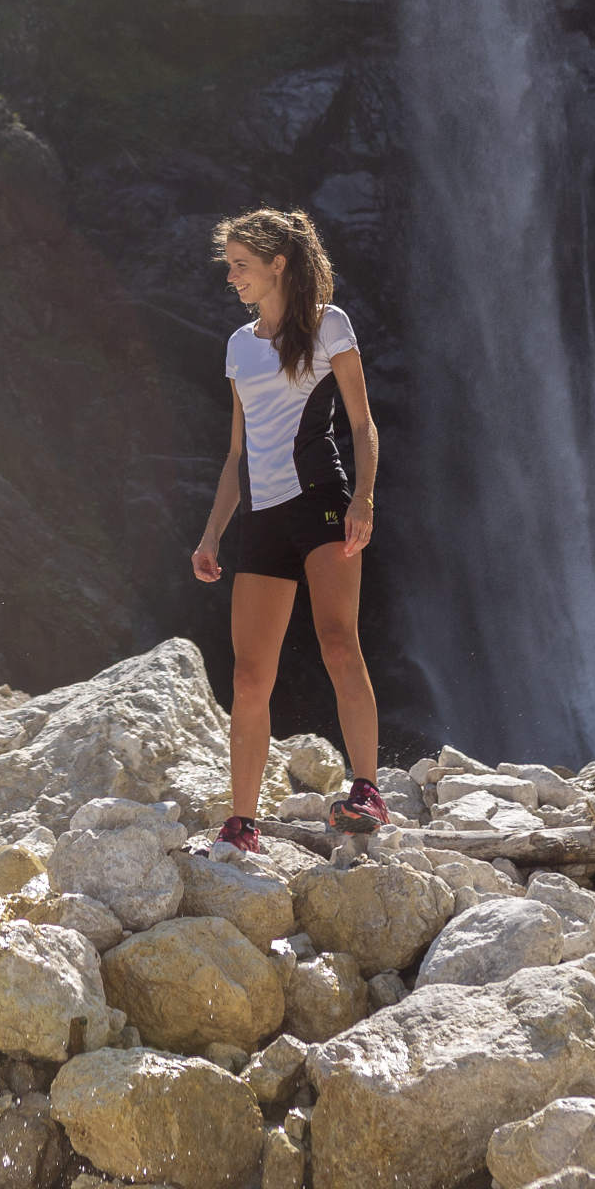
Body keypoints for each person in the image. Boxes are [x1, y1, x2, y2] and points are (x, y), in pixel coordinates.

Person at [190, 206, 389, 852]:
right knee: (250, 676)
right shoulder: (237, 347)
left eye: (241, 265)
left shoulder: (330, 325)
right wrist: (211, 534)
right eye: (229, 266)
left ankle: (366, 791)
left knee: (337, 641)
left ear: (279, 264)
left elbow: (362, 424)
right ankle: (242, 822)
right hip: (263, 517)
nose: (231, 276)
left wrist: (363, 497)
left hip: (324, 501)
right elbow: (234, 455)